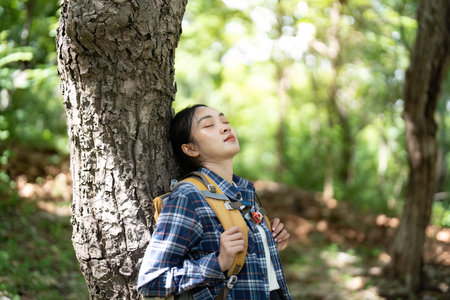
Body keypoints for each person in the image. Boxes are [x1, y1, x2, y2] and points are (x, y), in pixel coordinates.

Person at [137, 104, 292, 299]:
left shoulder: (245, 191)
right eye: (209, 125)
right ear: (191, 149)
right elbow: (151, 282)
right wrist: (218, 262)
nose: (225, 127)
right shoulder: (188, 196)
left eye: (225, 121)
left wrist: (271, 242)